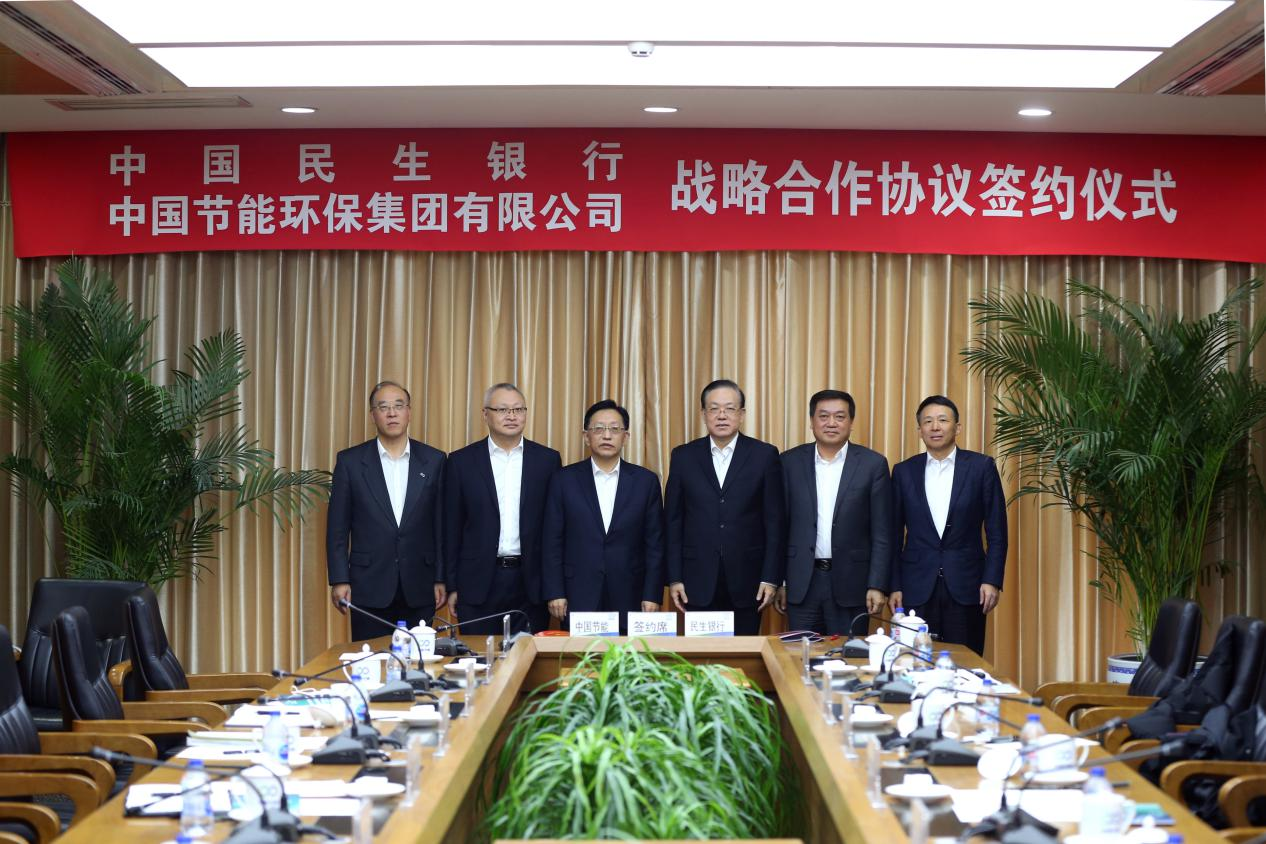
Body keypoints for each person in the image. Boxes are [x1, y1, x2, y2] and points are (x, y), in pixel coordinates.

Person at [326, 380, 446, 641]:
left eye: (398, 406)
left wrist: (441, 578)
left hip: (420, 583)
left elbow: (441, 526)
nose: (392, 413)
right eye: (384, 407)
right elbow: (337, 528)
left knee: (420, 658)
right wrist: (339, 579)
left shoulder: (435, 460)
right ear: (373, 415)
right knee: (371, 657)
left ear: (409, 412)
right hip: (368, 584)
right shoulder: (350, 462)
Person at [888, 395, 1008, 655]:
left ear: (957, 427)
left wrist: (992, 580)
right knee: (915, 661)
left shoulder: (981, 467)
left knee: (964, 661)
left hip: (968, 584)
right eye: (928, 421)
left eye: (943, 420)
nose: (935, 427)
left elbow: (997, 532)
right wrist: (894, 585)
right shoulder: (903, 471)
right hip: (916, 585)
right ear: (919, 430)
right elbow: (893, 535)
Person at [665, 379, 785, 635]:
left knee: (744, 653)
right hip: (696, 579)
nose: (722, 415)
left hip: (749, 580)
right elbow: (673, 521)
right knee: (700, 655)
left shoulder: (764, 455)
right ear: (703, 414)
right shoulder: (683, 456)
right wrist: (674, 577)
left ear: (741, 414)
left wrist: (770, 577)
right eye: (714, 409)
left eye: (730, 409)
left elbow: (774, 522)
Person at [444, 383, 561, 635]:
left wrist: (554, 587)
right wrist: (452, 585)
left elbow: (555, 528)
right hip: (477, 581)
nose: (511, 416)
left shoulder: (547, 460)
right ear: (485, 414)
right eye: (503, 410)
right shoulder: (461, 462)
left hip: (530, 582)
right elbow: (451, 527)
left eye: (518, 409)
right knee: (478, 655)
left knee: (527, 655)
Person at [541, 400, 665, 629]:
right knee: (579, 653)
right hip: (577, 592)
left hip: (631, 593)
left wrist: (652, 593)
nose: (607, 435)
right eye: (598, 429)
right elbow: (552, 540)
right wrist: (555, 591)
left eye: (615, 429)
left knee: (629, 652)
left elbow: (655, 544)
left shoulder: (645, 482)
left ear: (626, 437)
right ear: (586, 437)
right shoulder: (563, 480)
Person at [778, 390, 892, 635]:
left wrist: (877, 584)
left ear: (851, 422)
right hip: (801, 583)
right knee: (800, 653)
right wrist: (781, 582)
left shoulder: (873, 464)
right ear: (812, 421)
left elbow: (882, 532)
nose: (831, 423)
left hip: (853, 583)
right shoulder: (789, 462)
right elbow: (780, 527)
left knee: (850, 654)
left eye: (840, 417)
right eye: (823, 416)